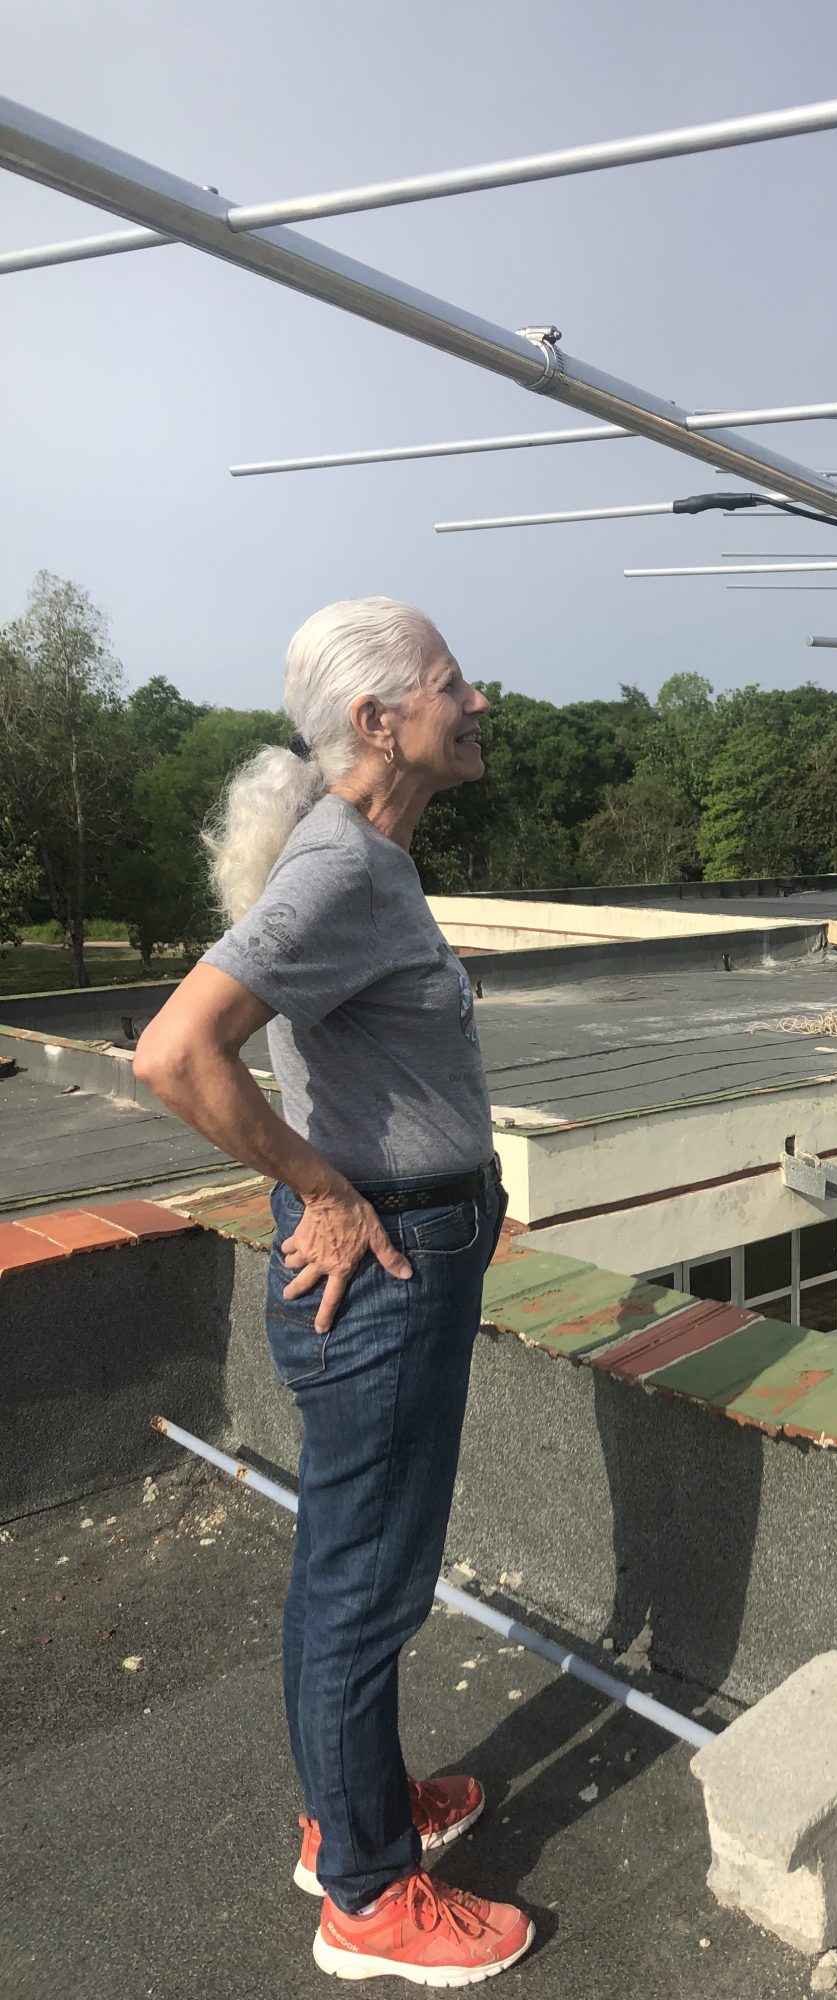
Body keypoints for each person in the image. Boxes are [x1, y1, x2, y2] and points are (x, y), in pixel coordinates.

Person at [134, 597, 533, 1985]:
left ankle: (349, 1815)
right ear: (379, 721)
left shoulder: (367, 856)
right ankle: (366, 1898)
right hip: (385, 1275)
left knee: (344, 1565)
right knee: (371, 1578)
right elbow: (175, 1052)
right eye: (452, 681)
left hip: (405, 1264)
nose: (478, 701)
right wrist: (326, 1188)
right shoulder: (344, 871)